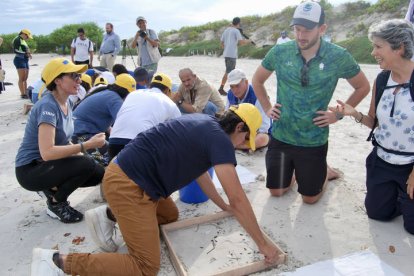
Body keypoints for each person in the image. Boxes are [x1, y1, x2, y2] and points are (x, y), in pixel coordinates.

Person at [31, 103, 281, 275]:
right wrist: (263, 245)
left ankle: (107, 215)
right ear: (239, 128)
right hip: (128, 186)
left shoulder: (205, 123)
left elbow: (201, 173)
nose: (244, 146)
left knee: (169, 216)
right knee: (145, 267)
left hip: (126, 176)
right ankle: (58, 263)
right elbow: (239, 199)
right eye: (244, 140)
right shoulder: (219, 140)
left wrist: (222, 206)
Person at [252, 1, 370, 204]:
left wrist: (338, 115)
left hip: (314, 138)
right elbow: (257, 80)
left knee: (310, 198)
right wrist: (268, 107)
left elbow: (363, 87)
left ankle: (324, 172)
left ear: (322, 29)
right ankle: (301, 172)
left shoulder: (338, 56)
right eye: (297, 29)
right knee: (277, 192)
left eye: (307, 30)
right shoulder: (280, 52)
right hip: (281, 134)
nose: (300, 35)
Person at [332, 19, 414, 234]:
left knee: (412, 228)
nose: (373, 52)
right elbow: (373, 122)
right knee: (378, 213)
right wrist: (354, 113)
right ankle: (399, 196)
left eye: (378, 46)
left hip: (411, 165)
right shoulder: (382, 79)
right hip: (382, 161)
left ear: (399, 47)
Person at [15, 58, 106, 223]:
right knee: (86, 164)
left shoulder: (67, 102)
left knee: (98, 173)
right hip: (30, 169)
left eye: (79, 76)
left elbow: (64, 141)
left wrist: (87, 156)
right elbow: (48, 152)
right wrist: (87, 145)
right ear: (57, 80)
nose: (79, 80)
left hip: (47, 164)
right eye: (73, 76)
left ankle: (52, 188)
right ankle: (56, 203)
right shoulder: (47, 106)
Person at [108, 72, 180, 160]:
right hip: (138, 146)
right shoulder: (170, 103)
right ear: (167, 91)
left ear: (150, 86)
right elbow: (179, 133)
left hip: (113, 142)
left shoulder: (133, 94)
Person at [72, 73, 136, 166]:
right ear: (125, 92)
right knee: (109, 163)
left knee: (112, 155)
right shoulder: (115, 99)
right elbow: (125, 124)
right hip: (81, 135)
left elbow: (97, 115)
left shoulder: (106, 92)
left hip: (80, 131)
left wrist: (109, 129)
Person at [226, 68, 270, 150]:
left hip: (256, 131)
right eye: (232, 87)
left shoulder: (258, 95)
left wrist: (247, 133)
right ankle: (240, 144)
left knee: (262, 139)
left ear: (246, 82)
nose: (234, 90)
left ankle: (238, 145)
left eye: (237, 85)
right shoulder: (230, 94)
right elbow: (227, 117)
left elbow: (264, 127)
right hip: (240, 129)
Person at [218, 17, 251, 96]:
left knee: (228, 71)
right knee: (230, 72)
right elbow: (241, 42)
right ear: (238, 23)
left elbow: (221, 43)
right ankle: (222, 88)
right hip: (232, 55)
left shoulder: (226, 30)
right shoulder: (236, 31)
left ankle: (222, 88)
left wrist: (228, 46)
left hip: (226, 54)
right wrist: (249, 41)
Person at [13, 29, 33, 99]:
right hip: (19, 59)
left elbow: (25, 49)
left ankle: (26, 93)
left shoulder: (23, 40)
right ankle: (23, 94)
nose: (28, 38)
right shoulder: (17, 39)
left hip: (25, 60)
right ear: (24, 34)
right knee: (21, 78)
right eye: (27, 37)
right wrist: (25, 53)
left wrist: (29, 54)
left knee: (25, 77)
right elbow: (15, 50)